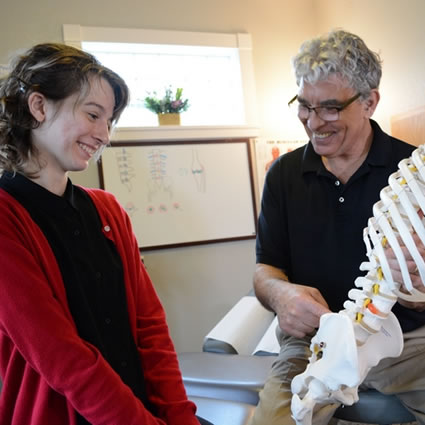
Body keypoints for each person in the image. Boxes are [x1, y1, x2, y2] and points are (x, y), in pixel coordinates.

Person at [0, 43, 212, 425]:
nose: (103, 135)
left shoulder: (108, 210)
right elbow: (61, 356)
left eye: (108, 121)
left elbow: (151, 332)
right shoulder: (6, 217)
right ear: (38, 106)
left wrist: (181, 418)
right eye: (92, 114)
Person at [251, 29, 425, 425]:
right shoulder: (283, 175)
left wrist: (418, 292)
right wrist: (280, 295)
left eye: (330, 108)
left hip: (408, 344)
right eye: (304, 105)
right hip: (313, 344)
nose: (313, 122)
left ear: (370, 102)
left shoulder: (415, 175)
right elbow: (265, 268)